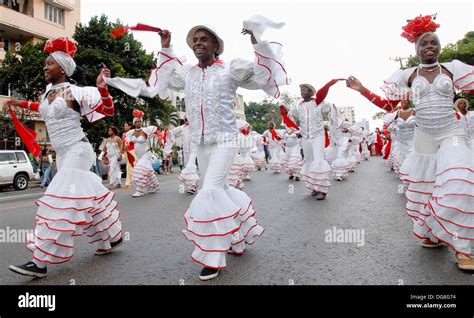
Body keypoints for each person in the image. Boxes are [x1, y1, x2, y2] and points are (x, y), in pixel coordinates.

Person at [104, 16, 288, 280]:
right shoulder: (187, 73)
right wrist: (165, 47)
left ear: (216, 46)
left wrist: (256, 38)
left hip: (225, 139)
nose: (198, 44)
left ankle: (213, 255)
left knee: (210, 190)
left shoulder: (230, 70)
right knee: (222, 189)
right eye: (195, 40)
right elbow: (155, 84)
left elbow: (262, 75)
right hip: (201, 144)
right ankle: (238, 234)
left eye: (204, 40)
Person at [346, 14, 474, 270]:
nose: (430, 46)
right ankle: (430, 231)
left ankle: (464, 248)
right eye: (424, 43)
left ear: (439, 46)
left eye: (434, 42)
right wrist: (362, 90)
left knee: (461, 181)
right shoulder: (406, 75)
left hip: (452, 132)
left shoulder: (452, 68)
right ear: (416, 49)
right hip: (423, 136)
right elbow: (387, 105)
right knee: (426, 187)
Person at [6, 37, 123, 278]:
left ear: (62, 67)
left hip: (78, 151)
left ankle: (40, 260)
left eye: (49, 64)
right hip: (62, 155)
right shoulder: (48, 92)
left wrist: (102, 87)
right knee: (88, 197)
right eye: (45, 63)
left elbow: (108, 110)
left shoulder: (75, 91)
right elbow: (40, 109)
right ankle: (110, 237)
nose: (44, 67)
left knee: (58, 200)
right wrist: (18, 102)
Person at [126, 109, 160, 198]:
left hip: (146, 153)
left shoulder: (145, 130)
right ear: (134, 123)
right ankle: (153, 186)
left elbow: (157, 131)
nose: (138, 123)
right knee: (146, 172)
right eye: (136, 121)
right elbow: (127, 141)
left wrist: (160, 140)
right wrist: (125, 146)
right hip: (138, 156)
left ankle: (139, 190)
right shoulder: (131, 132)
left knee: (138, 170)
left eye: (139, 121)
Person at [122, 121, 136, 189]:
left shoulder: (133, 133)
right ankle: (131, 182)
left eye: (126, 126)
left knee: (130, 166)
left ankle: (128, 183)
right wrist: (121, 151)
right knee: (129, 167)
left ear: (130, 126)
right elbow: (123, 143)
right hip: (126, 152)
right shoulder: (124, 134)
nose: (125, 127)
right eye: (124, 126)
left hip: (132, 151)